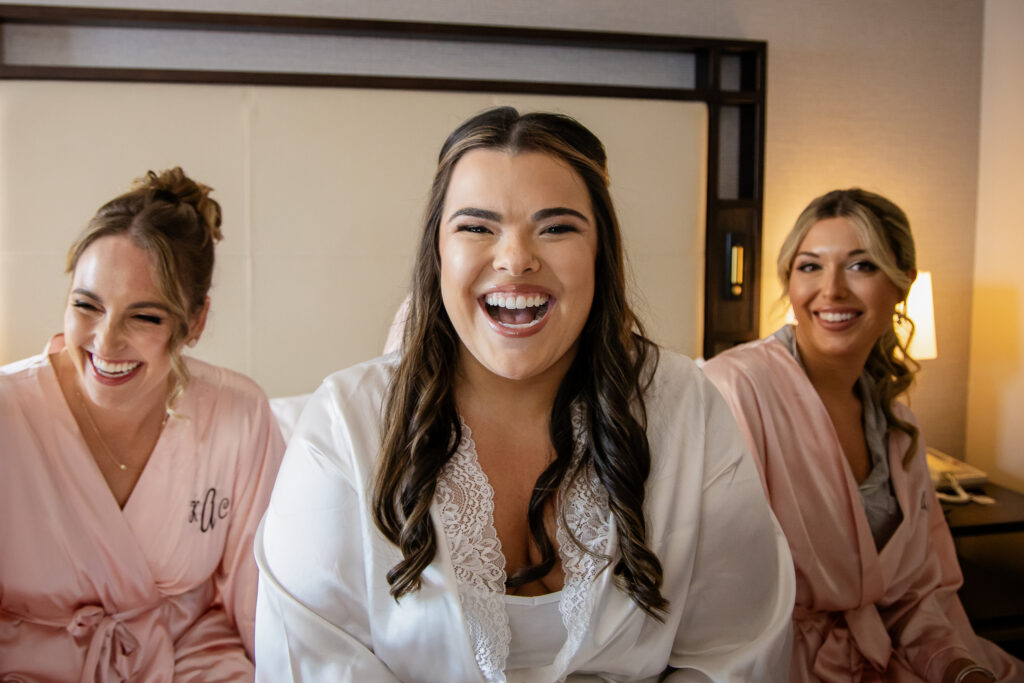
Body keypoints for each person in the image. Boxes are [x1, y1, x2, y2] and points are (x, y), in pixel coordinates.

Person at [255, 107, 795, 682]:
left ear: (600, 254)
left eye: (557, 227)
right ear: (437, 252)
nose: (515, 260)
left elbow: (736, 650)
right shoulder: (345, 423)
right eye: (476, 227)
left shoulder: (686, 406)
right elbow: (309, 661)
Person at [702, 189, 1022, 683]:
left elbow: (917, 598)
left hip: (884, 658)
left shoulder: (898, 428)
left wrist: (959, 670)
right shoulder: (736, 389)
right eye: (810, 267)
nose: (831, 292)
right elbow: (714, 589)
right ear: (789, 280)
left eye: (861, 266)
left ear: (902, 286)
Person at [0, 167, 286, 680]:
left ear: (194, 322)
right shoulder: (8, 415)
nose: (105, 344)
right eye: (86, 305)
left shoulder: (238, 415)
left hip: (186, 659)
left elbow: (264, 599)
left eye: (145, 317)